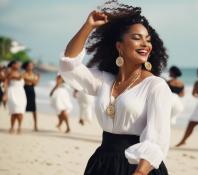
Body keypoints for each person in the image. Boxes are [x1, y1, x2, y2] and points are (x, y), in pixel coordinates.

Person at [59, 2, 172, 175]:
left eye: (148, 39)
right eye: (137, 38)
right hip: (102, 163)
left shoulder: (155, 85)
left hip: (138, 166)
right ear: (119, 46)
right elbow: (69, 65)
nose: (145, 44)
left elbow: (157, 138)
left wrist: (140, 172)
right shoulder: (104, 81)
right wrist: (88, 26)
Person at [3, 61, 27, 134]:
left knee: (20, 110)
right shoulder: (9, 72)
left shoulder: (21, 72)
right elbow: (6, 83)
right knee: (14, 111)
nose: (18, 65)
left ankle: (19, 127)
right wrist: (5, 94)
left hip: (21, 92)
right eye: (17, 64)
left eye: (19, 64)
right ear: (12, 65)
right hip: (12, 92)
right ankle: (12, 127)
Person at [22, 61, 40, 131]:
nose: (31, 67)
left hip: (31, 90)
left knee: (33, 108)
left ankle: (35, 125)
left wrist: (35, 80)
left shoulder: (33, 74)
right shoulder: (23, 73)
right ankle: (20, 124)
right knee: (22, 107)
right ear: (26, 66)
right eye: (29, 65)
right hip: (24, 90)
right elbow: (26, 79)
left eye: (32, 65)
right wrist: (35, 79)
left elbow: (35, 83)